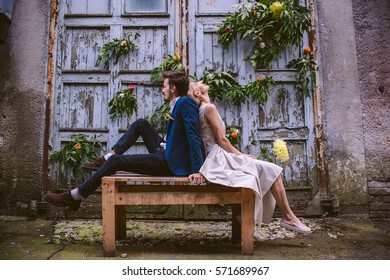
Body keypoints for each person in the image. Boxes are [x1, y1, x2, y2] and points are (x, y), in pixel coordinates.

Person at [44, 71, 205, 211]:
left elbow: (193, 136)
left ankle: (74, 196)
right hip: (164, 150)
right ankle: (107, 157)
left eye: (164, 86)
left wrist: (197, 170)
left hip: (169, 162)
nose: (162, 90)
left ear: (173, 88)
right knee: (141, 124)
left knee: (117, 161)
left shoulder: (186, 103)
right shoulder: (178, 103)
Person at [187, 81, 311, 234]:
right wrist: (240, 155)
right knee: (272, 170)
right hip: (218, 158)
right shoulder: (209, 108)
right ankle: (287, 217)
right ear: (198, 93)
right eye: (196, 83)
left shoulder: (202, 109)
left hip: (217, 156)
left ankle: (266, 218)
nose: (200, 81)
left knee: (268, 171)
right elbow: (222, 139)